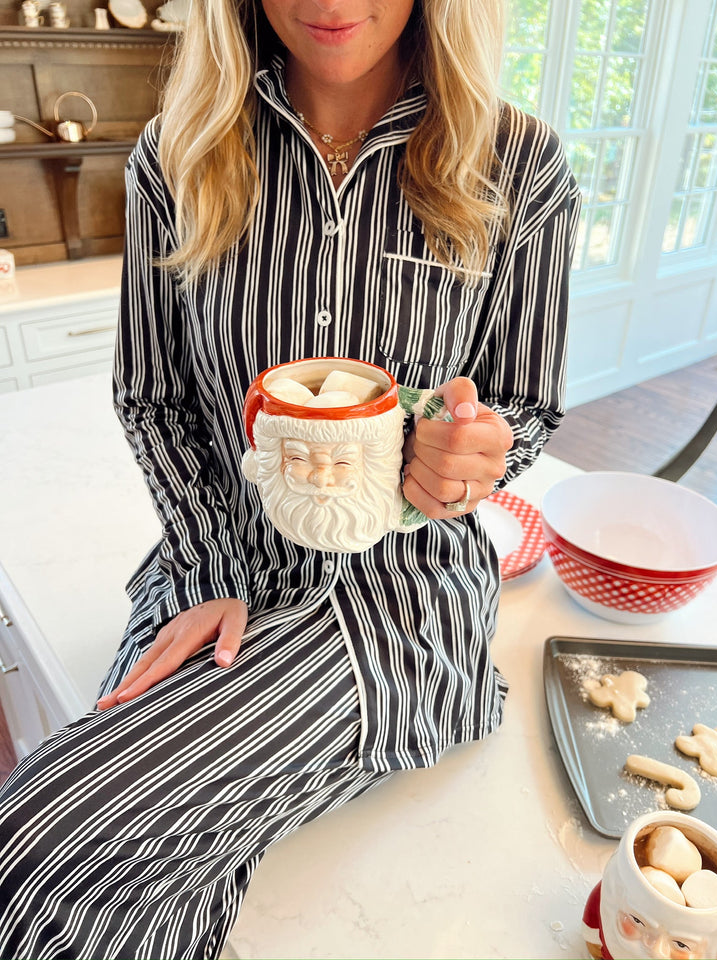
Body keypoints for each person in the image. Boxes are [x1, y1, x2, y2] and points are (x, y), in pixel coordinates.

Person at [0, 0, 581, 956]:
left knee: (43, 838)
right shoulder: (177, 153)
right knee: (108, 864)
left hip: (395, 605)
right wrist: (216, 565)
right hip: (213, 573)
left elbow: (525, 405)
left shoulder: (519, 168)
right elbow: (155, 396)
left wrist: (470, 456)